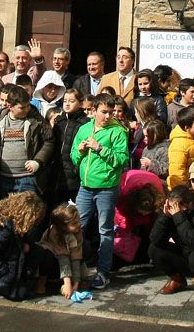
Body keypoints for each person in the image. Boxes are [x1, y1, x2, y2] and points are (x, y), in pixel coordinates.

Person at [71, 93, 130, 289]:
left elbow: (122, 160)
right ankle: (74, 269)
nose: (107, 116)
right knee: (76, 227)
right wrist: (79, 152)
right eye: (104, 112)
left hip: (106, 188)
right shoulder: (84, 129)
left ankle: (104, 273)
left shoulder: (118, 131)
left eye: (110, 112)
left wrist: (100, 149)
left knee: (105, 230)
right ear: (93, 111)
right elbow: (73, 157)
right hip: (85, 187)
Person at [0, 84, 55, 199]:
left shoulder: (37, 120)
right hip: (4, 179)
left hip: (28, 179)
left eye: (28, 106)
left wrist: (38, 161)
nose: (27, 109)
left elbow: (49, 141)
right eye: (22, 107)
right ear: (10, 106)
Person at [150, 185, 194, 300]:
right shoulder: (170, 212)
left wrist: (179, 217)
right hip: (181, 253)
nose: (173, 209)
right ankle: (177, 279)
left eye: (177, 206)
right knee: (154, 249)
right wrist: (164, 217)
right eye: (172, 205)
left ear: (188, 204)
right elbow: (155, 239)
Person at [0, 190, 47, 301]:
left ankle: (25, 279)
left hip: (13, 263)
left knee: (39, 251)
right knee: (20, 294)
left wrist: (25, 246)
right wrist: (7, 274)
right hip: (2, 273)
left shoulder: (19, 226)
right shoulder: (4, 230)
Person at [37, 203, 86, 298]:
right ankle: (41, 280)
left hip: (67, 257)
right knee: (47, 256)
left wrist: (76, 282)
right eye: (74, 223)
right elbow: (63, 258)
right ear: (63, 226)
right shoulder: (54, 233)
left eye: (79, 221)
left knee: (86, 246)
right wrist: (67, 283)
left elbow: (76, 256)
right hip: (53, 258)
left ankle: (77, 279)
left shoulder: (77, 232)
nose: (79, 224)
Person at [53, 87, 90, 204]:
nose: (67, 104)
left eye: (71, 101)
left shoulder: (85, 123)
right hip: (58, 173)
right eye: (65, 101)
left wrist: (76, 170)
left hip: (75, 175)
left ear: (81, 103)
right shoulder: (59, 121)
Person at [168, 107, 194, 189]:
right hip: (185, 189)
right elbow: (177, 172)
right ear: (187, 127)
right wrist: (183, 191)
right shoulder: (179, 145)